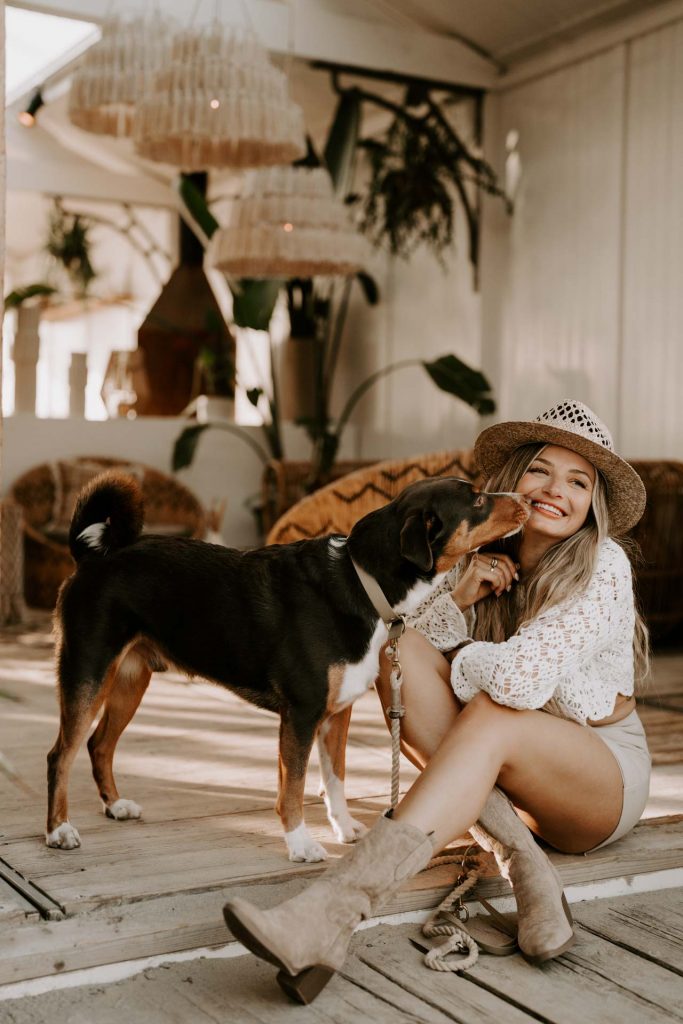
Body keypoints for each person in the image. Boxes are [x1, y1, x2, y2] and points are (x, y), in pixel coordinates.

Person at [223, 400, 651, 1004]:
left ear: (593, 506)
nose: (556, 490)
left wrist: (467, 651)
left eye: (578, 482)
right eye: (541, 471)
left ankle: (332, 909)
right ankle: (521, 857)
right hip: (518, 772)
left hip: (603, 782)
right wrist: (461, 599)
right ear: (513, 481)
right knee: (398, 657)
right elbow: (403, 638)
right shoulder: (477, 554)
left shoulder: (602, 566)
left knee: (496, 708)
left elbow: (516, 683)